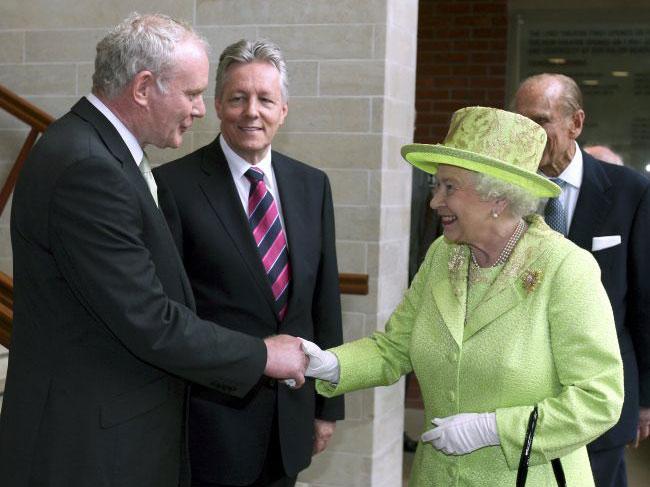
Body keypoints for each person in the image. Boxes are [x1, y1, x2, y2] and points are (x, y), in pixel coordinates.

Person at [0, 14, 307, 487]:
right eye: (191, 93)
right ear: (144, 87)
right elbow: (149, 320)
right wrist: (262, 355)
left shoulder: (102, 152)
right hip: (89, 448)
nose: (202, 109)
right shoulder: (88, 167)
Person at [301, 106, 624, 486]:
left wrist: (493, 429)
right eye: (436, 186)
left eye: (449, 187)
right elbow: (394, 348)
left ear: (498, 198)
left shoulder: (565, 268)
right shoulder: (443, 255)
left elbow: (599, 397)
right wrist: (328, 364)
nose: (435, 201)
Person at [154, 39, 344, 487]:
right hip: (210, 425)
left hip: (290, 420)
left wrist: (327, 407)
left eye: (265, 99)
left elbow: (324, 303)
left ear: (284, 110)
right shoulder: (173, 188)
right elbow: (170, 314)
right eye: (238, 98)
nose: (251, 112)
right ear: (218, 104)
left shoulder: (312, 186)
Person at [514, 73, 650, 487]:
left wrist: (644, 399)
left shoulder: (630, 191)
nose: (528, 134)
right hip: (520, 398)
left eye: (540, 121)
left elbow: (644, 302)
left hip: (600, 401)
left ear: (575, 123)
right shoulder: (503, 191)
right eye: (519, 121)